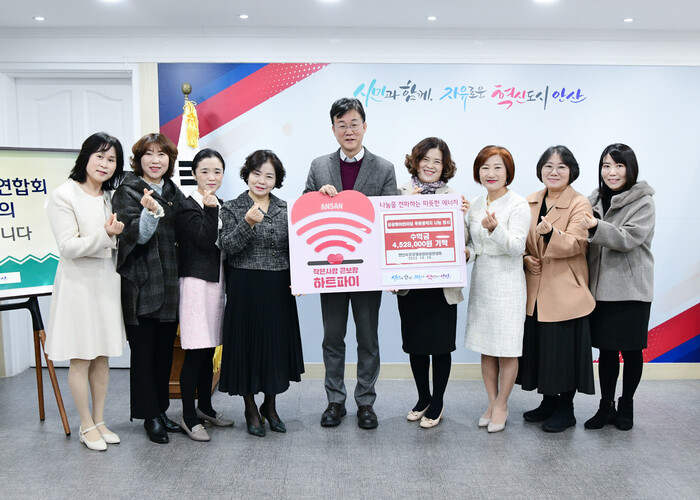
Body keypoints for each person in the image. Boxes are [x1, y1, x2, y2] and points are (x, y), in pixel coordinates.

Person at [304, 97, 397, 430]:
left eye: (354, 123)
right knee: (332, 338)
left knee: (368, 339)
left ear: (364, 126)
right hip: (331, 268)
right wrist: (317, 198)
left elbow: (389, 219)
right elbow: (304, 210)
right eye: (341, 125)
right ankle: (335, 401)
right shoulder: (319, 166)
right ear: (333, 129)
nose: (348, 130)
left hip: (368, 271)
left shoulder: (384, 168)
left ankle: (366, 402)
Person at [45, 132, 126, 451]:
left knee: (101, 354)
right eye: (100, 156)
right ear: (86, 157)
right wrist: (105, 235)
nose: (105, 164)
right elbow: (68, 247)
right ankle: (85, 424)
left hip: (105, 281)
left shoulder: (110, 196)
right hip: (77, 284)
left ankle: (100, 420)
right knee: (81, 356)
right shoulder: (64, 194)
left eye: (112, 159)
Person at [219, 149, 304, 437]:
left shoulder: (285, 209)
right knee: (247, 347)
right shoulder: (232, 207)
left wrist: (301, 279)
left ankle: (270, 405)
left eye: (269, 176)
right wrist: (248, 223)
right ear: (247, 175)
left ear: (276, 180)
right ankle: (250, 408)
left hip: (278, 287)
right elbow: (227, 247)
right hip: (244, 287)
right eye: (257, 174)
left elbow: (297, 250)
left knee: (273, 348)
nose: (261, 181)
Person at [112, 133, 185, 444]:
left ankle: (161, 409)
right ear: (138, 159)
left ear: (170, 160)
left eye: (162, 154)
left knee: (164, 353)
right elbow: (136, 237)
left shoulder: (174, 192)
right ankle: (149, 416)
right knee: (143, 354)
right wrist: (149, 212)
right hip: (141, 284)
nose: (156, 160)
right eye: (149, 154)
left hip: (170, 283)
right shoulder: (127, 191)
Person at [517, 146, 596, 432]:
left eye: (561, 167)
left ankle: (566, 409)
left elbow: (577, 243)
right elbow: (521, 242)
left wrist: (552, 234)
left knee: (562, 353)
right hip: (536, 290)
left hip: (565, 291)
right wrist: (525, 258)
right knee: (542, 349)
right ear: (540, 170)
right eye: (548, 166)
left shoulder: (580, 203)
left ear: (572, 171)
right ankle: (548, 402)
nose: (554, 171)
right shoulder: (529, 201)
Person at [396, 137, 468, 429]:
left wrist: (463, 228)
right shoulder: (399, 193)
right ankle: (423, 397)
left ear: (445, 166)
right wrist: (406, 206)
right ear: (415, 161)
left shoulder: (456, 198)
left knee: (440, 347)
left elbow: (466, 243)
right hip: (411, 286)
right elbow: (388, 238)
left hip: (442, 287)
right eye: (425, 159)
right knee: (416, 345)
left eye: (437, 161)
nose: (430, 166)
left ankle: (437, 401)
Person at [582, 143, 655, 431]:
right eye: (606, 165)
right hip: (600, 290)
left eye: (618, 165)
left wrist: (594, 226)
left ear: (630, 169)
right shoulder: (593, 200)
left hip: (632, 290)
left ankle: (626, 406)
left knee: (632, 351)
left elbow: (628, 238)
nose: (611, 172)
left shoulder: (643, 202)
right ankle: (606, 406)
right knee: (607, 351)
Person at [464, 145, 530, 433]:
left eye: (497, 167)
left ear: (508, 172)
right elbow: (474, 247)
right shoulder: (475, 204)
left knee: (507, 348)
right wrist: (466, 253)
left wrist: (494, 229)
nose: (490, 173)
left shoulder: (518, 204)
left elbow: (517, 247)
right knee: (486, 347)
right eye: (485, 167)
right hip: (483, 281)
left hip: (508, 282)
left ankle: (503, 404)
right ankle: (491, 402)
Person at [176, 148, 233, 442]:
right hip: (195, 285)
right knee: (195, 351)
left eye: (217, 171)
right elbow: (203, 239)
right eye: (205, 171)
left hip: (216, 283)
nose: (212, 177)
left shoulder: (222, 205)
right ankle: (188, 417)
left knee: (209, 350)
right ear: (194, 173)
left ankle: (205, 408)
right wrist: (210, 209)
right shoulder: (186, 205)